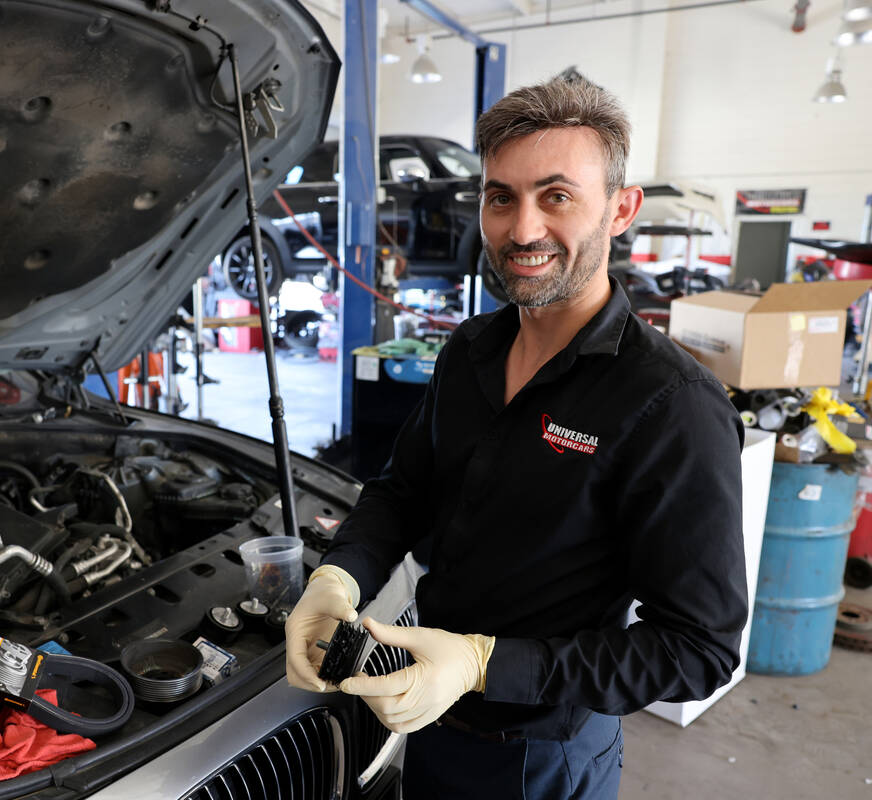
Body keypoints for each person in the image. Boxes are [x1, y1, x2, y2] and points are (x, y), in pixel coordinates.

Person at [285, 76, 746, 798]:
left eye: (556, 196)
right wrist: (338, 577)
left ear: (621, 209)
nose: (522, 230)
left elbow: (697, 649)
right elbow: (403, 491)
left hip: (540, 759)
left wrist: (479, 663)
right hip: (424, 724)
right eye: (502, 197)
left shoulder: (672, 405)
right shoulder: (470, 350)